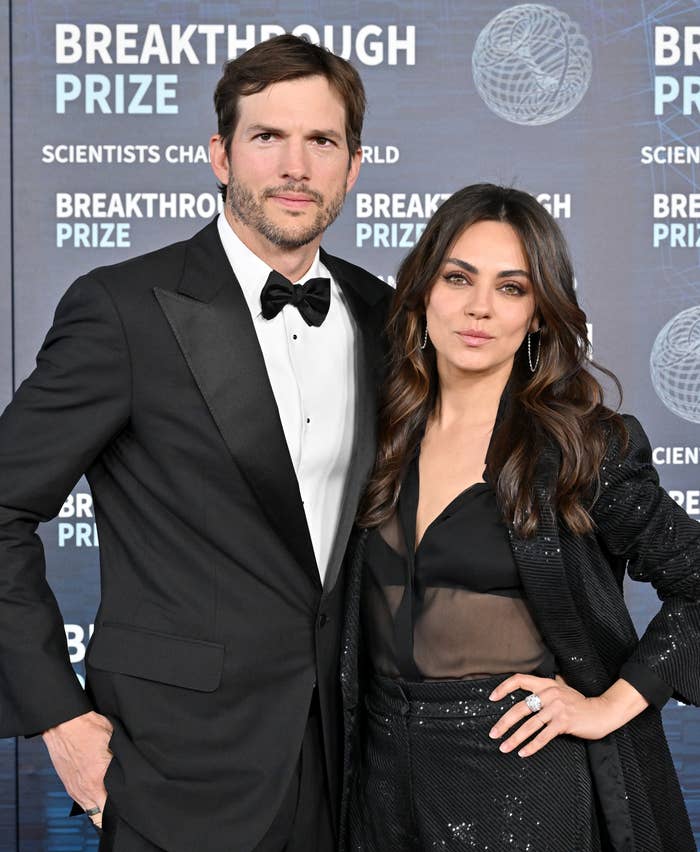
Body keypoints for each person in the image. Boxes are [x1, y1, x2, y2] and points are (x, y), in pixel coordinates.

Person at [0, 34, 391, 852]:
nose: (296, 165)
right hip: (174, 770)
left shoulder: (382, 312)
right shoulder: (123, 309)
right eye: (267, 137)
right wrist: (60, 720)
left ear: (353, 167)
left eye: (321, 141)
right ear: (220, 155)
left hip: (350, 767)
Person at [339, 184, 700, 851]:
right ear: (420, 293)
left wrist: (607, 706)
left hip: (521, 784)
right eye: (458, 278)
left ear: (538, 315)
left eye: (511, 288)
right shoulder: (375, 433)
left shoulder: (583, 447)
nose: (479, 308)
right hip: (380, 785)